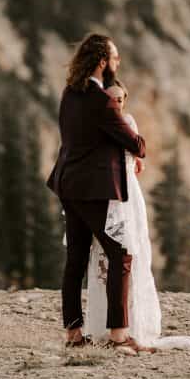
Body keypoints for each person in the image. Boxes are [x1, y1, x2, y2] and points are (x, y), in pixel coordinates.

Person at [85, 82, 190, 354]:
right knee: (102, 262)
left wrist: (134, 159)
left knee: (129, 255)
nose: (115, 104)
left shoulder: (126, 122)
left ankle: (129, 326)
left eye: (120, 99)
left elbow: (135, 150)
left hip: (126, 197)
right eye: (111, 99)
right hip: (105, 196)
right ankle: (105, 327)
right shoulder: (99, 125)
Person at [46, 33, 146, 350]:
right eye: (115, 58)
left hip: (67, 183)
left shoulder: (70, 94)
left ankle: (73, 335)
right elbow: (137, 144)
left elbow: (88, 139)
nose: (118, 63)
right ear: (103, 61)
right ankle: (119, 335)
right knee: (120, 254)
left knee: (75, 259)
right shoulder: (102, 101)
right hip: (92, 189)